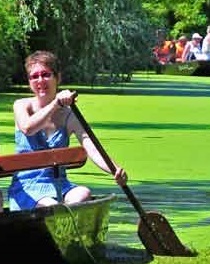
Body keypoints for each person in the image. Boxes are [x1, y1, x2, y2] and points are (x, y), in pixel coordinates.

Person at [8, 51, 128, 211]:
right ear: (29, 82)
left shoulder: (69, 116)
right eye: (34, 76)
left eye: (46, 74)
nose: (40, 80)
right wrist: (55, 104)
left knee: (83, 193)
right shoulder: (22, 105)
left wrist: (115, 170)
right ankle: (62, 216)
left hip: (59, 184)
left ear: (57, 78)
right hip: (27, 187)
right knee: (51, 206)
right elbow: (28, 128)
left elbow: (92, 148)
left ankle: (66, 219)